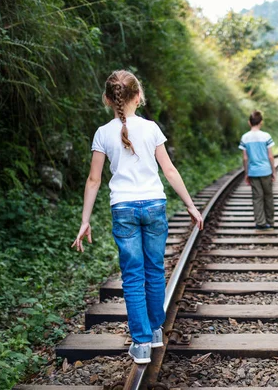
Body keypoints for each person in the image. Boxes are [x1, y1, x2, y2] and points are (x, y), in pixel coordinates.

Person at [71, 70, 204, 364]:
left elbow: (93, 180)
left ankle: (142, 343)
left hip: (124, 209)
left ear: (107, 99)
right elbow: (169, 170)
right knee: (155, 270)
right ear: (139, 96)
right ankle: (155, 331)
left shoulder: (102, 133)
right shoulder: (151, 128)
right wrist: (191, 206)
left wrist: (85, 220)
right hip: (154, 205)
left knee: (133, 276)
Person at [239, 110, 276, 230]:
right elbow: (270, 156)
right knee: (268, 196)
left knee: (257, 197)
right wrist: (273, 171)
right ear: (261, 122)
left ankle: (260, 222)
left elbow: (245, 158)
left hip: (253, 172)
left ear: (249, 122)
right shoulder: (266, 136)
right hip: (266, 170)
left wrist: (246, 173)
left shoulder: (245, 137)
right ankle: (270, 221)